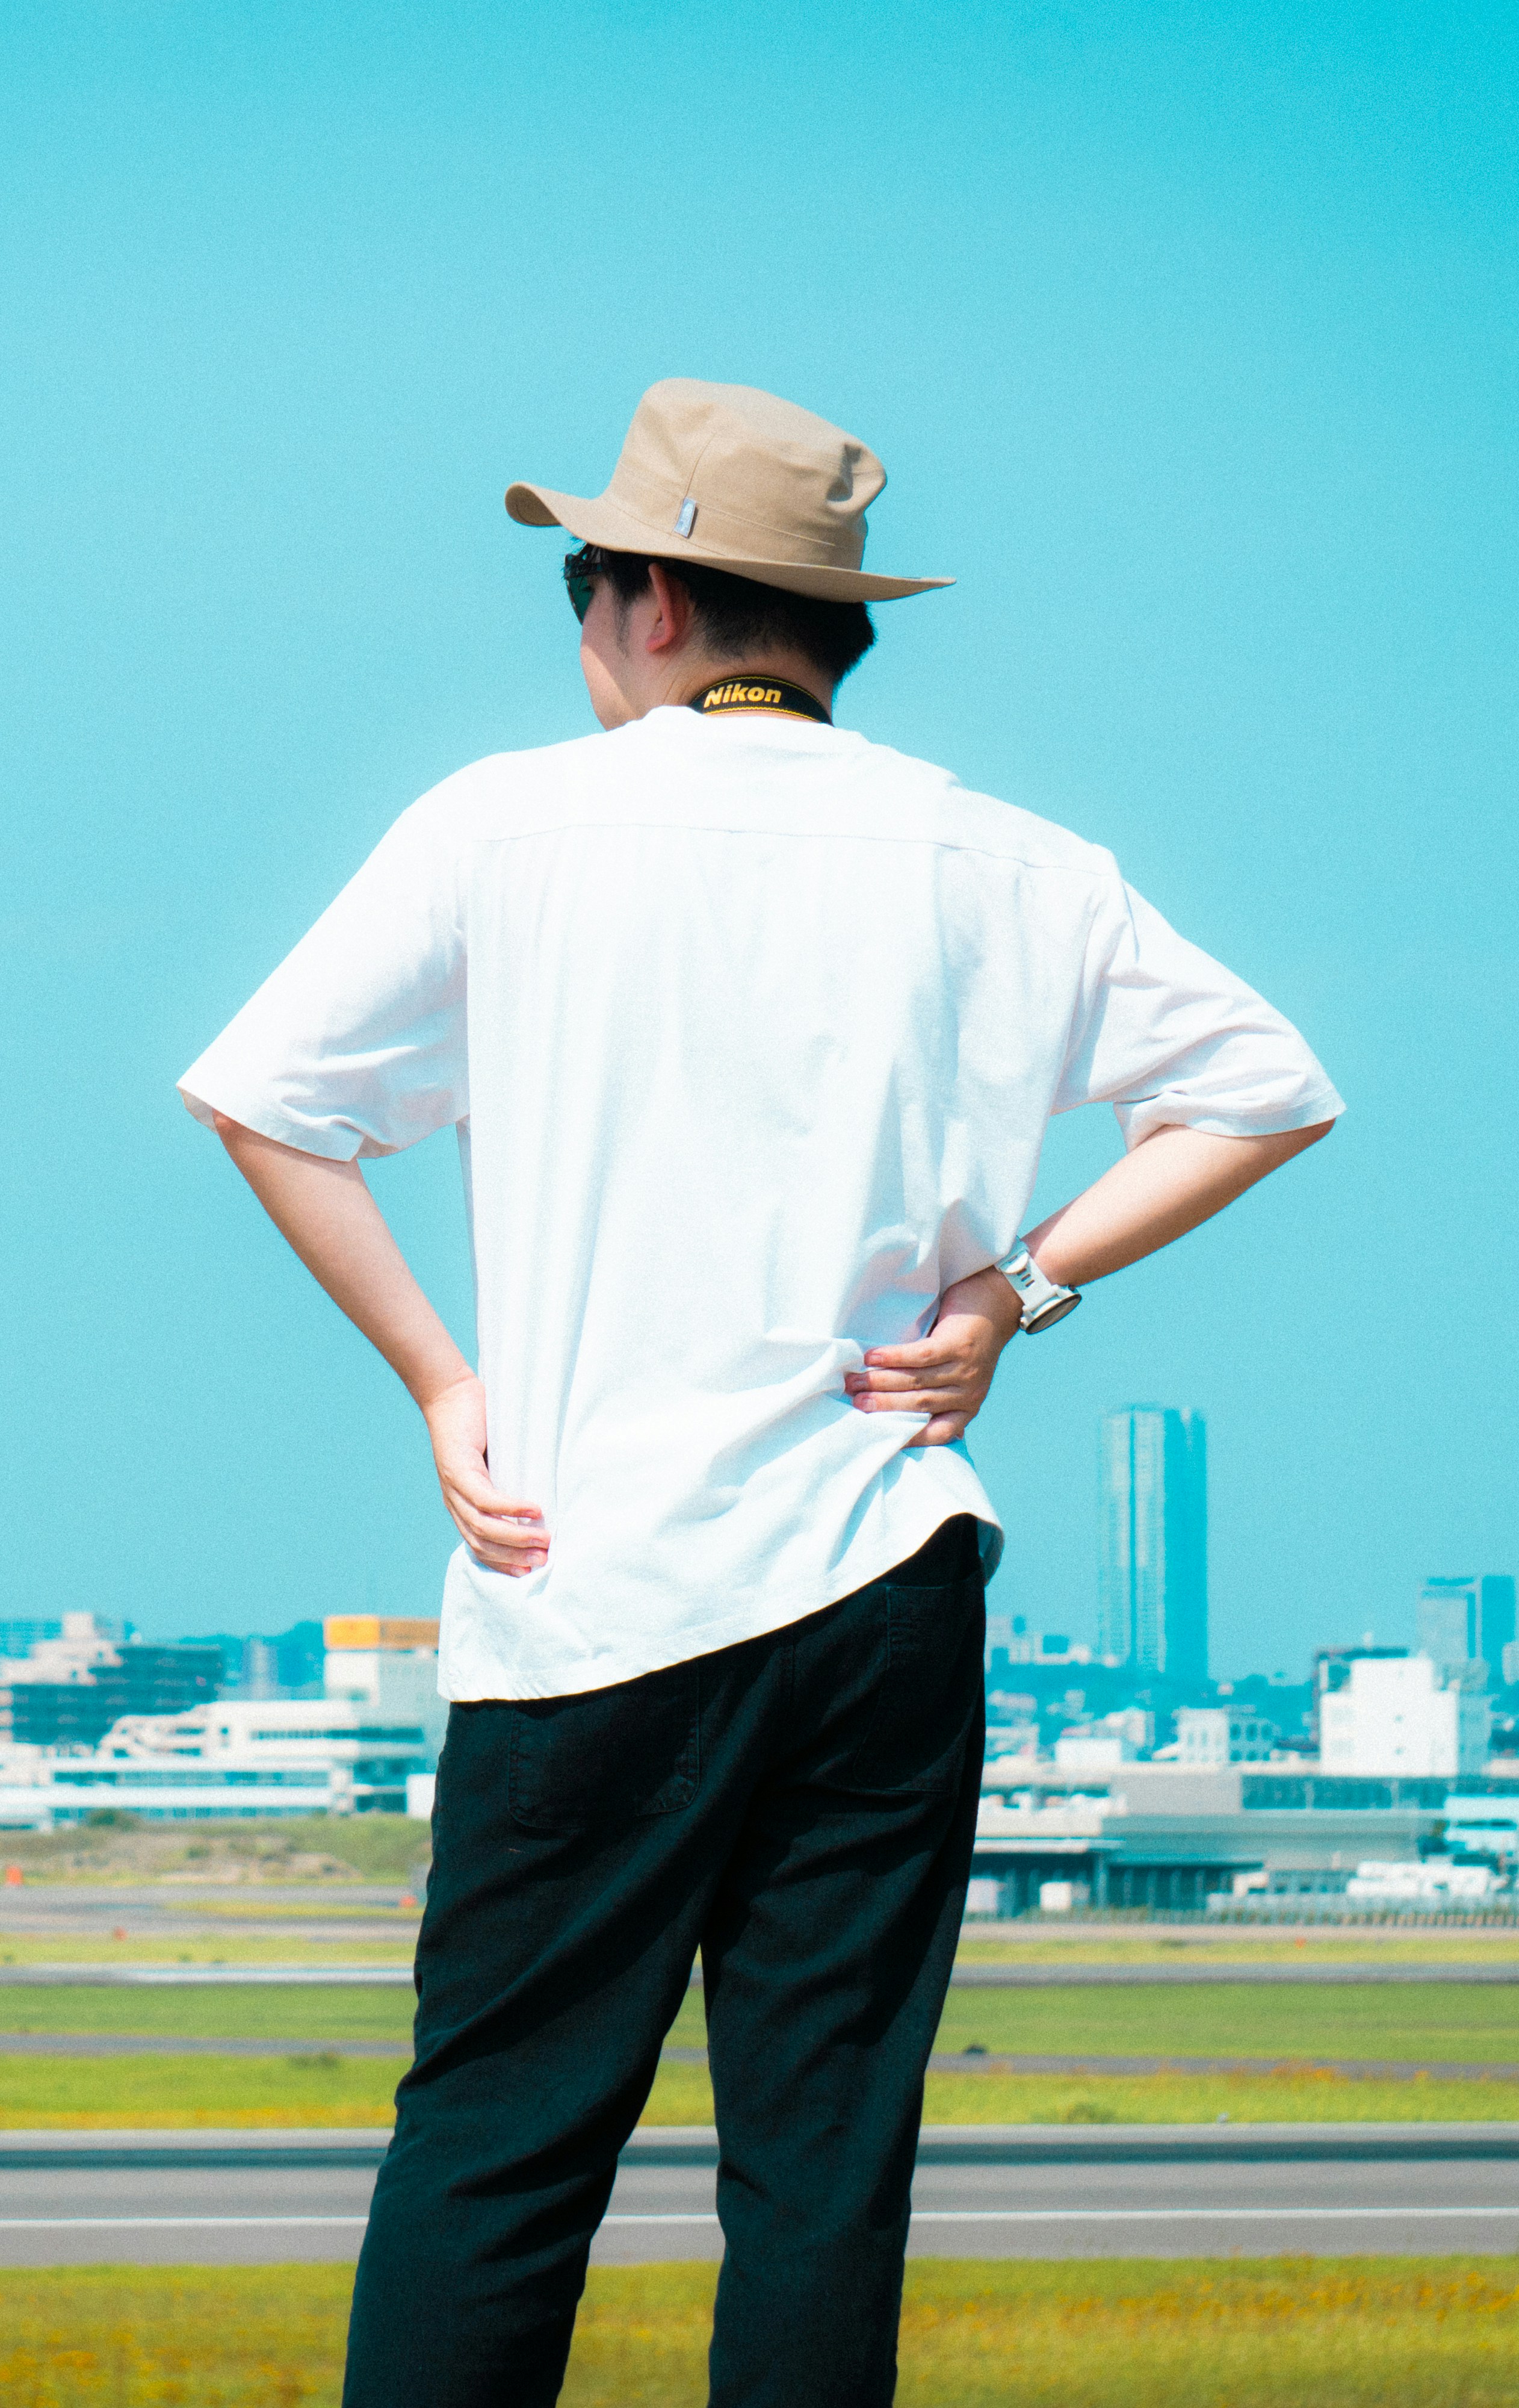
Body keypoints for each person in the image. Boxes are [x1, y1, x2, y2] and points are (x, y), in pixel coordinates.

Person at [176, 379, 1341, 2406]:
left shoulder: (505, 822)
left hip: (587, 1580)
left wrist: (441, 1380)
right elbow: (1265, 1091)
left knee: (497, 2146)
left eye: (580, 577)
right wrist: (1021, 1290)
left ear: (644, 599)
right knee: (820, 2173)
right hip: (887, 1565)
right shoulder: (1007, 856)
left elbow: (267, 1104)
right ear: (838, 626)